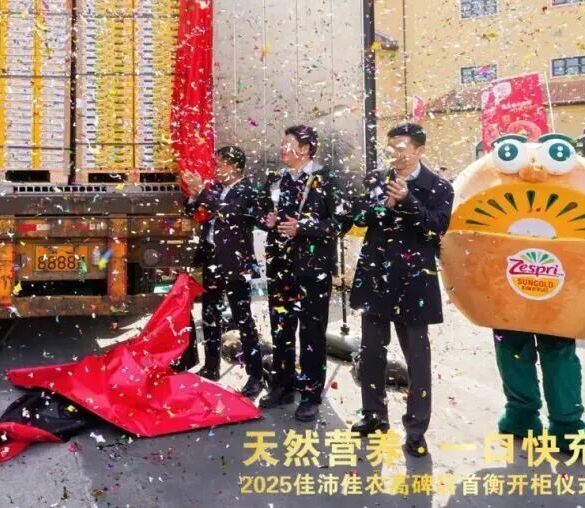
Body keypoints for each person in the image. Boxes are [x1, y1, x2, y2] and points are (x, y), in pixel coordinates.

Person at [348, 123, 453, 458]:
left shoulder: (438, 186)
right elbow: (358, 217)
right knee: (372, 353)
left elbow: (436, 227)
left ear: (419, 150)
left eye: (402, 147)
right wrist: (382, 205)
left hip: (413, 282)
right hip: (376, 277)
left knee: (417, 359)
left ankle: (416, 428)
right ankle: (374, 415)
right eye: (391, 147)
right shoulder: (376, 179)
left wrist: (407, 201)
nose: (394, 153)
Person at [257, 126, 345, 422]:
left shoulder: (327, 179)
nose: (282, 148)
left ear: (305, 149)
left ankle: (310, 394)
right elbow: (263, 214)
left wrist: (304, 227)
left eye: (288, 143)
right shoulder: (276, 179)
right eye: (282, 142)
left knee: (312, 333)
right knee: (281, 328)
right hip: (280, 267)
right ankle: (282, 385)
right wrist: (267, 220)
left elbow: (341, 222)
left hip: (313, 271)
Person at [180, 146, 265, 398]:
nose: (215, 169)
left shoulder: (248, 189)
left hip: (236, 263)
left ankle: (255, 375)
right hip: (211, 259)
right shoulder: (215, 188)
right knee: (209, 314)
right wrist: (194, 196)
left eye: (219, 164)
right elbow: (191, 211)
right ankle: (211, 366)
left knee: (242, 318)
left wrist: (202, 192)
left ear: (234, 166)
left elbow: (228, 212)